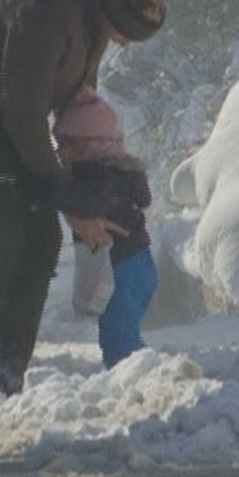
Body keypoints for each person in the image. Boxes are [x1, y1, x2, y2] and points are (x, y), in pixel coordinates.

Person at [0, 0, 166, 412]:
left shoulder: (95, 24)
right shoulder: (48, 10)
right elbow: (25, 114)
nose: (125, 44)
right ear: (115, 15)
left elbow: (75, 117)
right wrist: (71, 203)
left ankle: (9, 373)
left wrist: (93, 193)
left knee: (43, 239)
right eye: (127, 34)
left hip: (5, 126)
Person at [53, 87, 158, 369]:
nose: (58, 151)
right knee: (121, 331)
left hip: (121, 269)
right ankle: (141, 370)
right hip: (140, 264)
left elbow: (88, 203)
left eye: (64, 143)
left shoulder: (94, 174)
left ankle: (140, 374)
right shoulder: (122, 171)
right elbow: (142, 198)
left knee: (118, 339)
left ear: (88, 145)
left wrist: (55, 187)